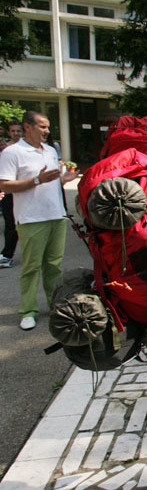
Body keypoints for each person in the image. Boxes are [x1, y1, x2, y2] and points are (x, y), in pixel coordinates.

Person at [0, 111, 78, 330]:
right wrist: (36, 179)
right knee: (32, 267)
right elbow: (4, 185)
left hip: (56, 214)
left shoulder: (51, 150)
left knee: (53, 266)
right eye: (42, 127)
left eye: (47, 127)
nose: (46, 131)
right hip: (31, 218)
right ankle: (27, 310)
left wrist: (64, 180)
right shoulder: (12, 152)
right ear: (28, 126)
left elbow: (50, 183)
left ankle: (55, 306)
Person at [0, 119, 23, 268]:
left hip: (24, 192)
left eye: (18, 131)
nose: (15, 133)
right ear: (9, 132)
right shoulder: (5, 150)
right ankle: (7, 255)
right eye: (13, 131)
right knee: (10, 224)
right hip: (8, 192)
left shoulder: (27, 149)